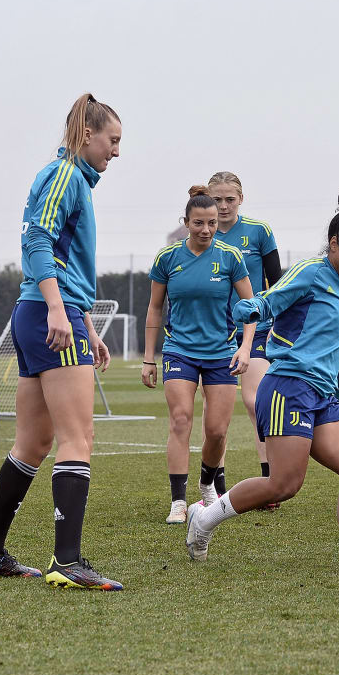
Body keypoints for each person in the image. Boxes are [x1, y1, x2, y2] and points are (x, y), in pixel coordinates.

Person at [184, 187, 339, 576]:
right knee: (284, 486)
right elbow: (271, 300)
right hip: (288, 386)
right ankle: (204, 518)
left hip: (324, 396)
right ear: (334, 243)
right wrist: (250, 307)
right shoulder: (312, 272)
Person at [0, 93, 120, 589]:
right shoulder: (65, 176)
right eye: (112, 140)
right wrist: (60, 309)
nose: (116, 151)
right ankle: (67, 561)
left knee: (33, 442)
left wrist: (86, 324)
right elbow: (35, 240)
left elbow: (62, 264)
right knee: (79, 438)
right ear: (87, 135)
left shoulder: (74, 179)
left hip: (45, 313)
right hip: (47, 314)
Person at [141, 187, 256, 524]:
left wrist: (245, 347)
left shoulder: (232, 257)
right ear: (186, 222)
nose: (205, 230)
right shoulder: (167, 258)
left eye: (211, 223)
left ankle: (207, 484)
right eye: (198, 223)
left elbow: (251, 309)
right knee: (180, 421)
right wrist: (149, 358)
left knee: (217, 431)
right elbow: (154, 309)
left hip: (221, 353)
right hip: (179, 351)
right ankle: (178, 501)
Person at [208, 171, 283, 509]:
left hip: (258, 330)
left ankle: (270, 482)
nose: (223, 206)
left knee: (256, 402)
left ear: (241, 199)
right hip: (215, 333)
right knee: (217, 413)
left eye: (229, 199)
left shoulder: (259, 231)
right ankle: (216, 486)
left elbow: (277, 283)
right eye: (217, 199)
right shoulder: (201, 232)